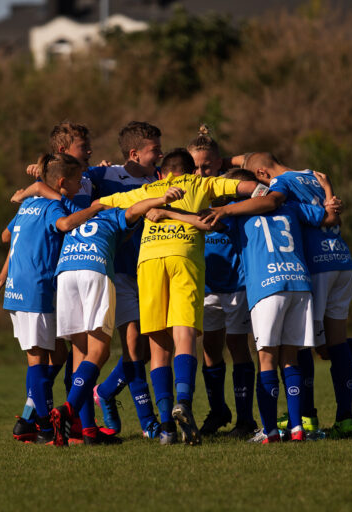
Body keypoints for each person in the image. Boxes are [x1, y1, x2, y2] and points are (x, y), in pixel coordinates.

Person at [202, 152, 352, 439]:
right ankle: (341, 412)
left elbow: (269, 201)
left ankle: (304, 417)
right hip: (337, 262)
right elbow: (330, 215)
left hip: (304, 271)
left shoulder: (278, 187)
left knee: (294, 351)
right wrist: (329, 192)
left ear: (262, 176)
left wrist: (220, 205)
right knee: (324, 346)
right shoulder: (315, 176)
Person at [97, 148, 259, 445]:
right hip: (183, 258)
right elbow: (249, 187)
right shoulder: (202, 184)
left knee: (158, 345)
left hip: (148, 263)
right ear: (190, 171)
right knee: (184, 336)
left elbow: (101, 203)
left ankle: (167, 428)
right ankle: (183, 400)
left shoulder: (147, 190)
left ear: (162, 173)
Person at [15, 121, 165, 438]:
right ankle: (66, 422)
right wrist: (36, 178)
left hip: (143, 266)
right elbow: (48, 187)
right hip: (94, 269)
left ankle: (69, 416)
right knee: (71, 353)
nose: (91, 153)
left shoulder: (101, 176)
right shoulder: (90, 179)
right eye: (83, 147)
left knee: (83, 353)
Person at [45, 181, 187, 447]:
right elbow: (136, 209)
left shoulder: (79, 214)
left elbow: (53, 194)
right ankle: (68, 410)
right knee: (100, 352)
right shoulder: (112, 214)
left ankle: (86, 431)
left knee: (80, 353)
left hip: (64, 273)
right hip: (94, 269)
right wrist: (161, 198)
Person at [218, 169, 339, 442]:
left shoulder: (236, 209)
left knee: (267, 359)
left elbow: (206, 222)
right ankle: (297, 429)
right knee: (291, 358)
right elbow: (331, 217)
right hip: (299, 284)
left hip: (268, 286)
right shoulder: (291, 205)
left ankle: (270, 430)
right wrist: (330, 195)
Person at [0, 152, 84, 444]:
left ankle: (31, 417)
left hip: (19, 286)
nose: (81, 186)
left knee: (58, 354)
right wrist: (92, 210)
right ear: (63, 182)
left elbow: (8, 236)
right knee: (38, 361)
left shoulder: (29, 203)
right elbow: (64, 225)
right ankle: (44, 427)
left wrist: (5, 272)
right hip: (36, 288)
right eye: (78, 181)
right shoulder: (52, 206)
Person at [185, 126, 257, 438]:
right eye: (195, 167)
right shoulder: (186, 195)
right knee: (210, 348)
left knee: (237, 346)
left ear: (219, 166)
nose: (201, 172)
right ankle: (218, 411)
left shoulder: (235, 193)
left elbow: (264, 188)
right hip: (206, 287)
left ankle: (245, 420)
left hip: (237, 286)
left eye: (207, 167)